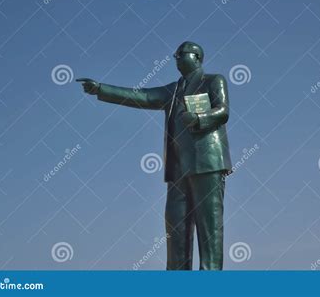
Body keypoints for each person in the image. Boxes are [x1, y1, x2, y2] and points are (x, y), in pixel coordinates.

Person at [77, 41, 232, 270]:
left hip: (207, 162)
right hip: (178, 168)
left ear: (197, 57)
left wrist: (200, 119)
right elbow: (143, 97)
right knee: (176, 225)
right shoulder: (174, 90)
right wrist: (101, 89)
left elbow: (223, 111)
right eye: (175, 55)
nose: (176, 58)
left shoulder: (213, 80)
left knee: (209, 228)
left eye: (181, 54)